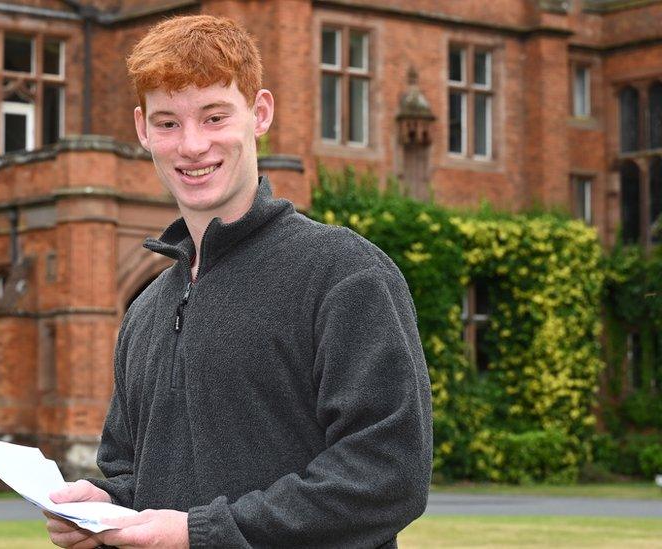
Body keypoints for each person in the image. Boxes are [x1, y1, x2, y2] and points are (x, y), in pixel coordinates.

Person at [45, 14, 432, 549]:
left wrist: (198, 533)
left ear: (260, 113)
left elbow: (387, 476)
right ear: (142, 130)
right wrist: (107, 506)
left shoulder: (344, 273)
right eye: (168, 123)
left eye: (214, 117)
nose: (192, 145)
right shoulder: (146, 309)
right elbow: (134, 471)